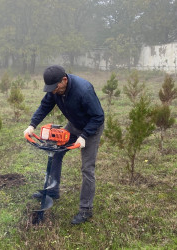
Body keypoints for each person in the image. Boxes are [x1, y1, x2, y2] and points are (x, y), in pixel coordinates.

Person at [24, 65, 104, 224]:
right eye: (50, 89)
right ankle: (53, 190)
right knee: (56, 153)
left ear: (64, 80)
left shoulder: (84, 90)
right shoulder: (54, 90)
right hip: (74, 124)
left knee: (87, 168)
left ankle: (86, 209)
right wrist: (32, 125)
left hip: (91, 128)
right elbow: (45, 106)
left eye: (55, 88)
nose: (53, 91)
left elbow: (98, 116)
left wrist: (84, 136)